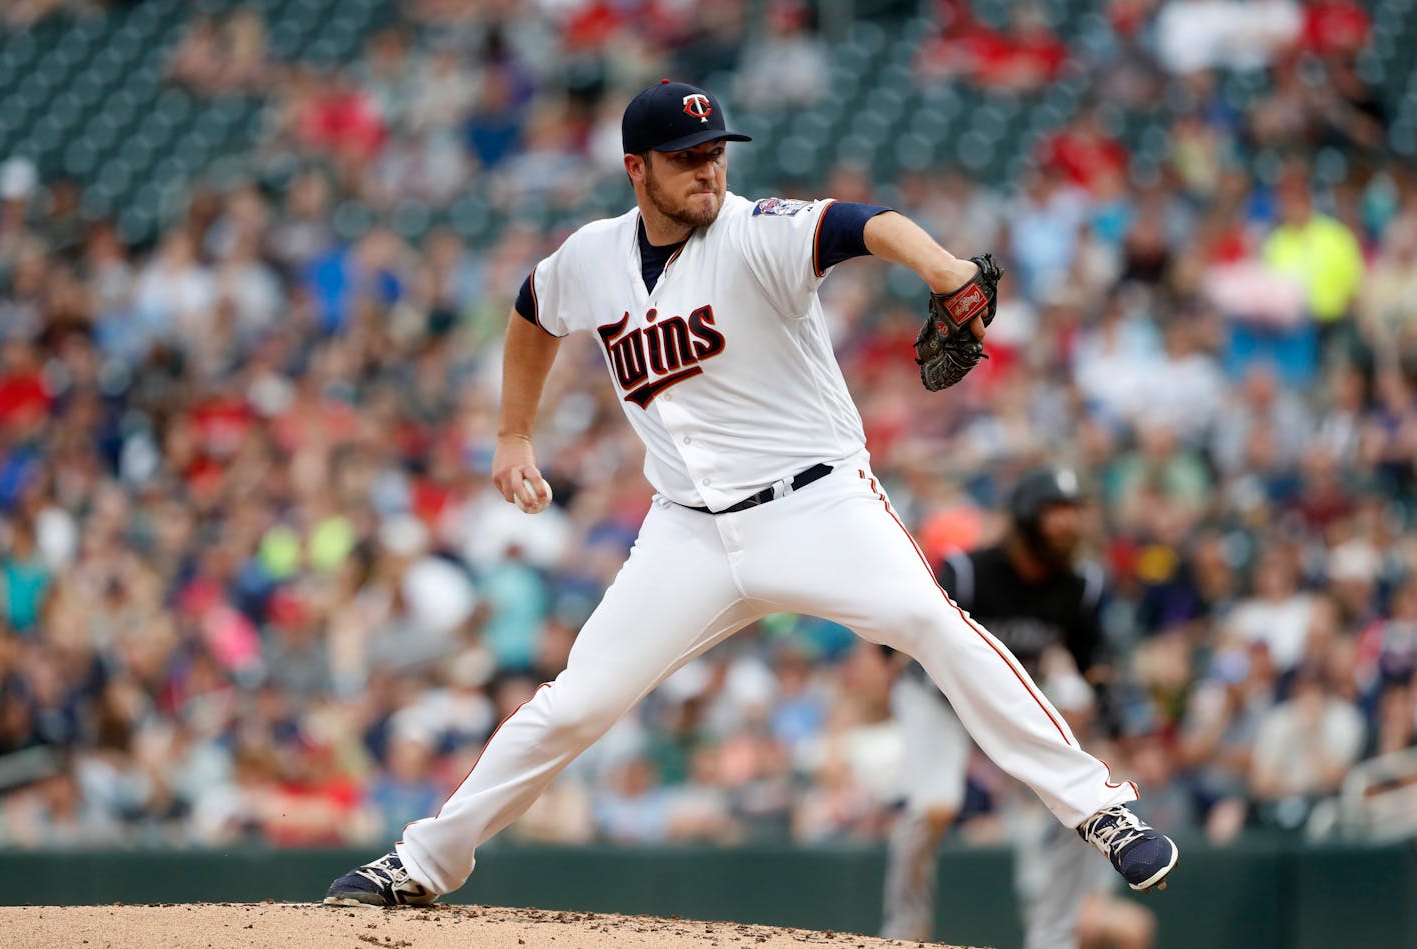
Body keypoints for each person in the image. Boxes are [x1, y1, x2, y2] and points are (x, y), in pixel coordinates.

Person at [323, 80, 1178, 909]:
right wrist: (513, 431)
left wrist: (943, 263)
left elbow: (860, 224)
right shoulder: (593, 256)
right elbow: (532, 309)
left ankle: (1099, 807)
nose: (708, 169)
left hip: (818, 508)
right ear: (636, 169)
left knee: (929, 623)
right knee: (576, 702)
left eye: (716, 152)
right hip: (687, 532)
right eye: (686, 156)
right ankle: (426, 859)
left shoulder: (756, 231)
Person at [880, 467, 1156, 948]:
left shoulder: (1078, 585)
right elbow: (901, 627)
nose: (1068, 523)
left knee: (1082, 803)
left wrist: (1113, 718)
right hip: (935, 698)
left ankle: (1052, 938)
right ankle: (903, 932)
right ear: (1026, 518)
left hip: (1005, 704)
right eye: (1056, 512)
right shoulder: (969, 571)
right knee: (934, 805)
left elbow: (1094, 662)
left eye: (1073, 512)